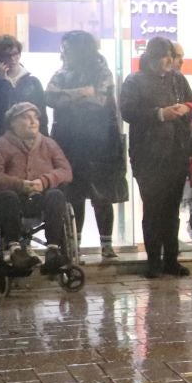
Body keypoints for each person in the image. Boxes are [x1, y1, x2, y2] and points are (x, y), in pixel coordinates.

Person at [117, 37, 192, 278]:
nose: (170, 61)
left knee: (172, 210)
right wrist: (160, 114)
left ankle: (171, 260)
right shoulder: (134, 81)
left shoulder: (177, 79)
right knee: (153, 209)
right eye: (165, 56)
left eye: (172, 56)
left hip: (177, 152)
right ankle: (154, 261)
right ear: (152, 57)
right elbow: (128, 112)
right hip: (148, 156)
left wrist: (186, 108)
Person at [45, 30, 126, 261]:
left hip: (100, 142)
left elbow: (99, 100)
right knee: (74, 195)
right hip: (68, 142)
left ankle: (107, 246)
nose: (65, 52)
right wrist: (82, 92)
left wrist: (69, 97)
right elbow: (50, 97)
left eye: (69, 48)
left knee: (102, 196)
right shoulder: (62, 73)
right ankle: (74, 246)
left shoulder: (102, 71)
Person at [0, 102, 73, 272]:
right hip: (12, 202)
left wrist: (44, 181)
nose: (33, 121)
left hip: (39, 199)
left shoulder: (48, 144)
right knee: (7, 196)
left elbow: (65, 171)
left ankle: (53, 249)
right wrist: (19, 184)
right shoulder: (0, 144)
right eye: (26, 117)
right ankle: (14, 250)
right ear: (13, 122)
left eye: (35, 117)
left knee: (56, 195)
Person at [0, 34, 44, 151]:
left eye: (15, 54)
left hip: (29, 140)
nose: (12, 59)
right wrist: (2, 83)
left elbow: (41, 114)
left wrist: (43, 141)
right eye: (6, 56)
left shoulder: (32, 82)